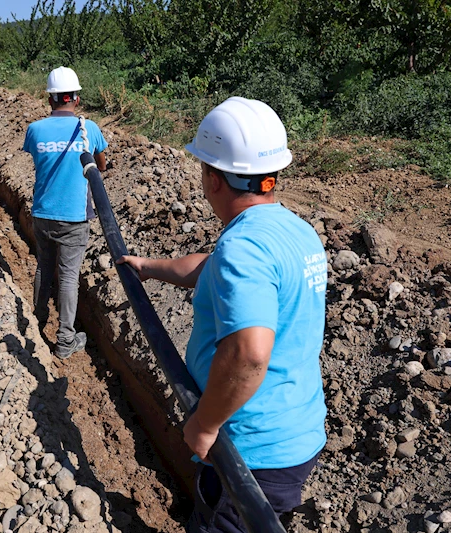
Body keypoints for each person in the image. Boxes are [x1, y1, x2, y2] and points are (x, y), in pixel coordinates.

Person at [118, 96, 327, 532]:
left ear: (213, 179)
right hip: (295, 431)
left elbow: (250, 354)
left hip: (251, 451)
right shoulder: (294, 231)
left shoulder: (244, 248)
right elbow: (207, 268)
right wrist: (148, 268)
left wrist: (205, 423)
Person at [23, 66, 108, 359]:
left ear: (51, 100)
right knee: (69, 278)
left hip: (43, 212)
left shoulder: (35, 130)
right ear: (76, 98)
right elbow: (101, 166)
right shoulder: (90, 129)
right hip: (74, 217)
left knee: (44, 267)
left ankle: (37, 319)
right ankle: (64, 341)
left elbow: (37, 158)